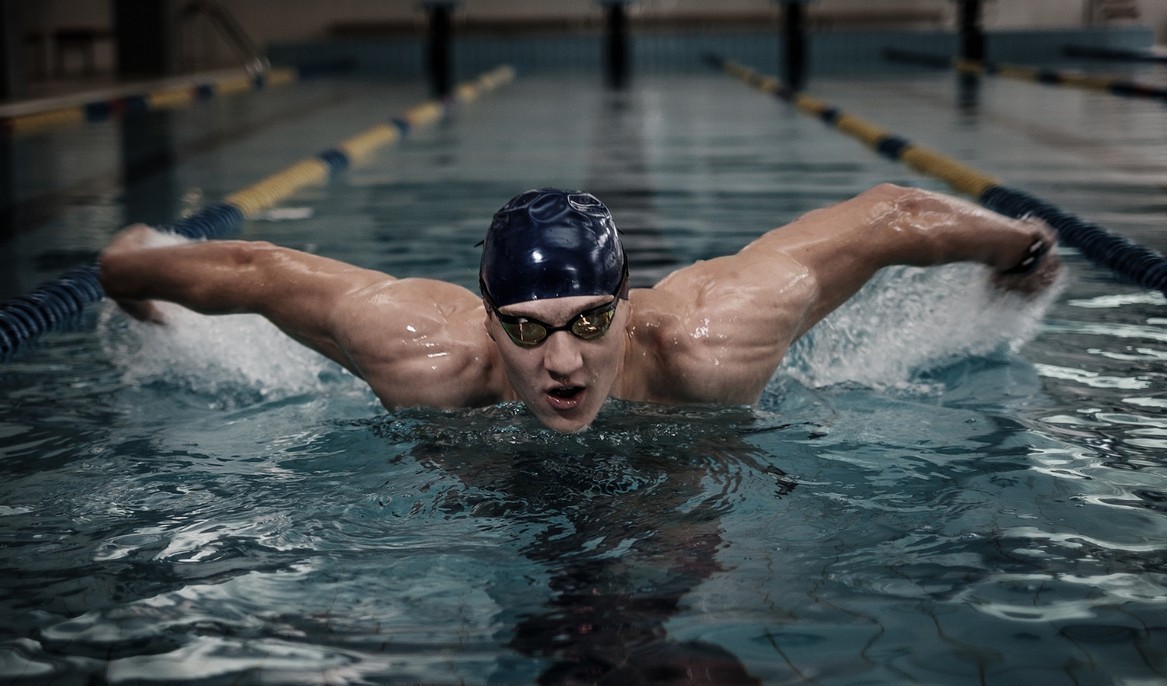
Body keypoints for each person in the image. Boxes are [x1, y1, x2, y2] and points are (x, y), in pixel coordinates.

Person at [98, 184, 1060, 433]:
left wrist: (1015, 245)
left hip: (679, 502)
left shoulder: (709, 342)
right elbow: (257, 271)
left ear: (627, 303)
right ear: (485, 321)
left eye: (587, 322)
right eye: (527, 330)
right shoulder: (421, 357)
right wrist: (127, 270)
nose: (561, 364)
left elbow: (886, 221)